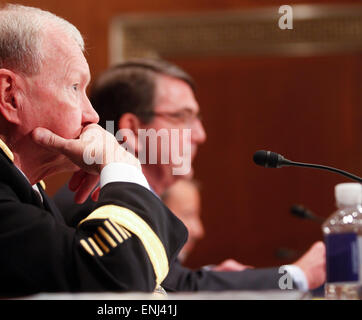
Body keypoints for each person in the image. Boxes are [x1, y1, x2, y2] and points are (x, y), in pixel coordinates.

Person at [0, 5, 188, 295]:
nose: (92, 115)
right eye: (73, 87)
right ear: (10, 96)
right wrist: (121, 167)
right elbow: (115, 283)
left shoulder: (8, 182)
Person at [54, 58, 326, 291]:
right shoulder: (96, 198)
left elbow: (171, 282)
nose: (200, 135)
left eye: (197, 119)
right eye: (182, 117)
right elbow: (173, 290)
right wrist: (296, 275)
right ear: (133, 130)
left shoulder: (138, 197)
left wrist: (213, 275)